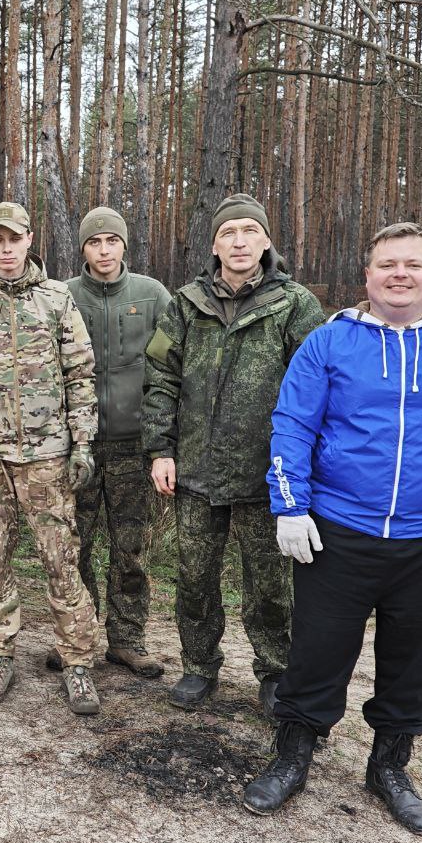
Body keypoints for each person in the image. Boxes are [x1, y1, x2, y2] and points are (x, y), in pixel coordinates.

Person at [242, 222, 422, 836]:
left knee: (413, 659)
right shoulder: (328, 344)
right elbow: (293, 426)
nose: (400, 274)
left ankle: (390, 766)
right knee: (317, 652)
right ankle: (292, 756)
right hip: (339, 531)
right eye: (387, 264)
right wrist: (290, 506)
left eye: (413, 265)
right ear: (366, 275)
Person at [143, 193, 326, 713]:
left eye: (249, 230)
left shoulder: (296, 305)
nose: (239, 241)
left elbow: (318, 391)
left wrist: (305, 466)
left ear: (266, 240)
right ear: (215, 243)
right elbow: (160, 378)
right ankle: (199, 667)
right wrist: (160, 449)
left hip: (267, 477)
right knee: (195, 580)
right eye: (228, 232)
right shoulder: (187, 303)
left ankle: (273, 672)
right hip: (196, 472)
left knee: (269, 586)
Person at [0, 201, 103, 715]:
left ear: (31, 239)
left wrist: (83, 442)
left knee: (61, 560)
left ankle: (77, 664)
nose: (6, 250)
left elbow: (80, 376)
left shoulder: (57, 301)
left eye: (15, 239)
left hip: (47, 456)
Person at [49, 206, 171, 679]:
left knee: (130, 547)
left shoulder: (151, 294)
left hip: (131, 443)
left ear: (124, 245)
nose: (103, 251)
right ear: (82, 248)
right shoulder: (63, 295)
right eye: (94, 243)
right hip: (74, 444)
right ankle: (75, 635)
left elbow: (168, 365)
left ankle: (127, 639)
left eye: (112, 242)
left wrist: (162, 436)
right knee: (73, 543)